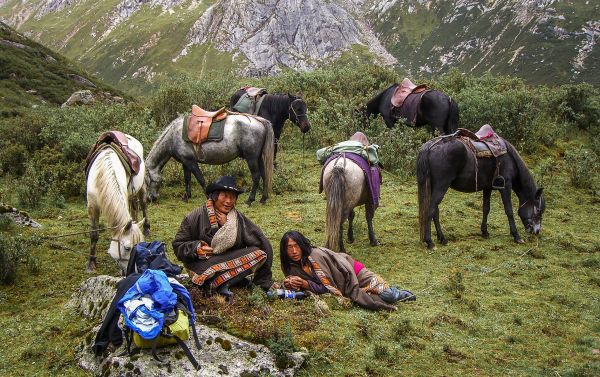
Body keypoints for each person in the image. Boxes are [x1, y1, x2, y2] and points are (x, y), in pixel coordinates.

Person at [172, 176, 273, 298]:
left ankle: (225, 283)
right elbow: (178, 245)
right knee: (208, 271)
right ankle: (219, 282)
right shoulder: (195, 216)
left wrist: (227, 226)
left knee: (259, 253)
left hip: (228, 262)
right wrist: (196, 248)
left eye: (232, 197)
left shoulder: (236, 219)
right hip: (202, 266)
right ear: (214, 197)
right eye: (225, 196)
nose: (229, 201)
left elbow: (260, 240)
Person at [279, 230, 415, 311]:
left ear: (302, 245)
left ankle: (399, 293)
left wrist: (305, 284)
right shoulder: (291, 268)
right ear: (285, 250)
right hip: (343, 287)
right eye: (289, 247)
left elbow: (327, 287)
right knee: (375, 299)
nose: (294, 251)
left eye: (296, 246)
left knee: (389, 296)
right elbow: (313, 289)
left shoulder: (315, 256)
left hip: (354, 272)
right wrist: (290, 283)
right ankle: (372, 291)